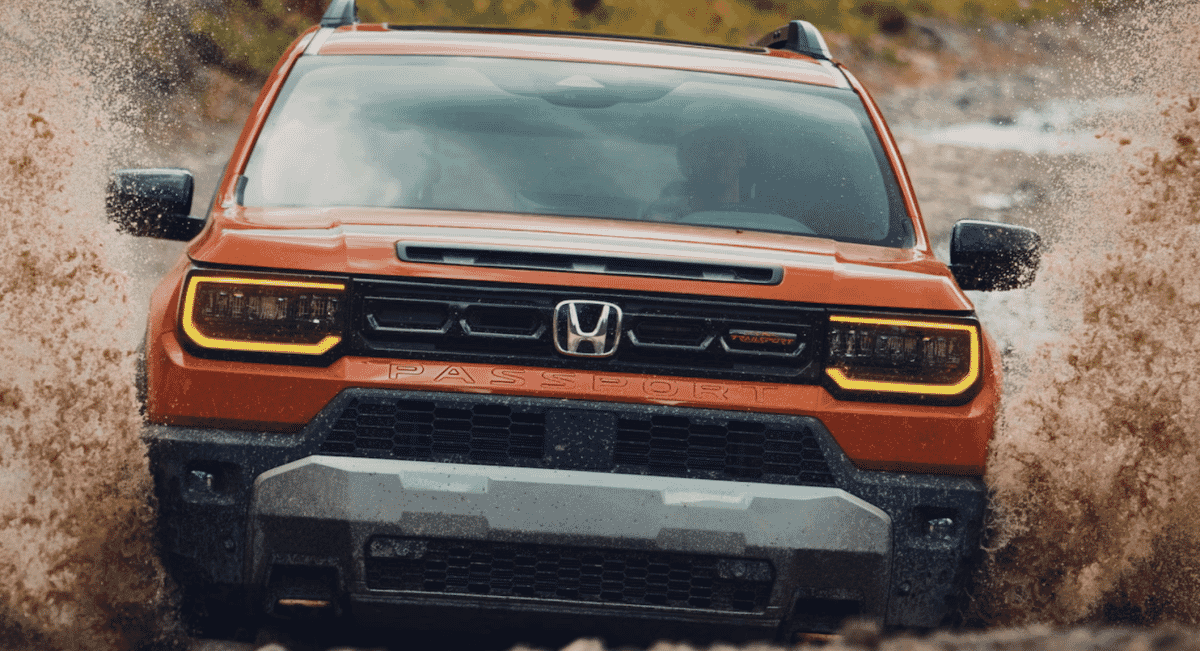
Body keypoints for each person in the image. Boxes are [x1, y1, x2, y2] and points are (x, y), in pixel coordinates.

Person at [643, 125, 750, 222]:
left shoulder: (761, 212)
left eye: (724, 146)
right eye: (708, 148)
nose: (717, 155)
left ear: (742, 156)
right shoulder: (673, 201)